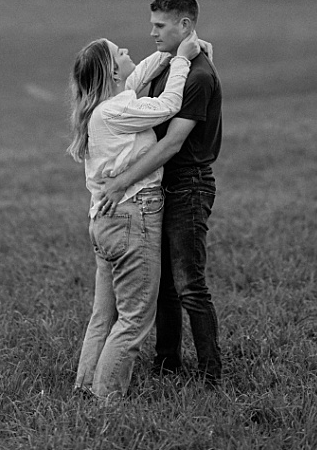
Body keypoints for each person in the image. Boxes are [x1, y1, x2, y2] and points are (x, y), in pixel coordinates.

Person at [97, 0, 224, 383]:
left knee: (189, 284)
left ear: (184, 25)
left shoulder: (198, 75)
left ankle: (211, 374)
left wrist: (121, 182)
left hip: (189, 184)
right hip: (164, 183)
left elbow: (172, 143)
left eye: (160, 25)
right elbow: (133, 86)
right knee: (164, 283)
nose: (151, 32)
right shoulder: (171, 65)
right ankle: (167, 364)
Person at [67, 31, 201, 400]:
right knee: (134, 317)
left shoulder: (106, 106)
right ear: (112, 72)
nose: (128, 51)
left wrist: (173, 49)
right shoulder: (117, 111)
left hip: (105, 223)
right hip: (132, 216)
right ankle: (106, 399)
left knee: (103, 316)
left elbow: (139, 74)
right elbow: (168, 105)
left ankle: (85, 387)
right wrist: (182, 61)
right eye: (120, 52)